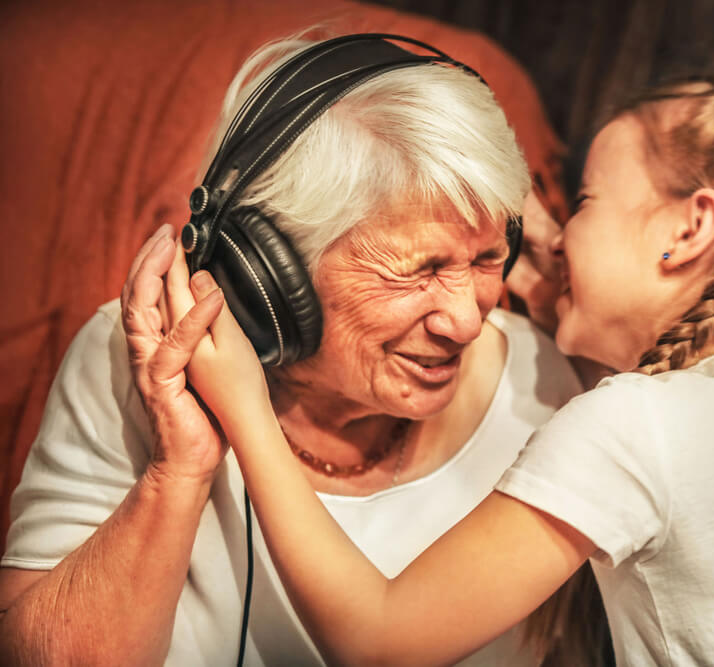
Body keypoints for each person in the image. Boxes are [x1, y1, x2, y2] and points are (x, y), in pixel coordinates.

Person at [152, 76, 714, 665]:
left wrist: (248, 406)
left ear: (689, 228)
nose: (554, 232)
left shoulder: (638, 424)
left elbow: (378, 639)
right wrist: (563, 277)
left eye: (582, 200)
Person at [0, 33, 594, 666]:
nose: (466, 322)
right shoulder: (145, 360)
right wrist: (178, 471)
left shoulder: (544, 384)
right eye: (417, 271)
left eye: (485, 258)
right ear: (263, 276)